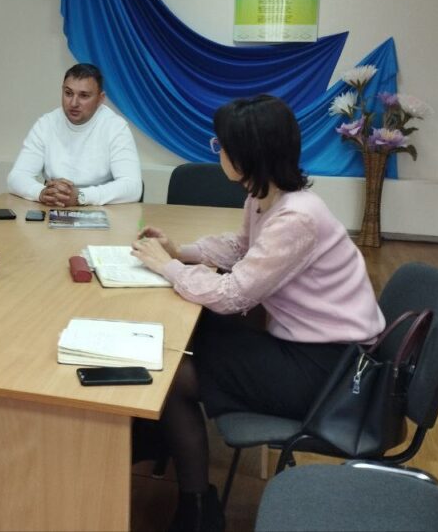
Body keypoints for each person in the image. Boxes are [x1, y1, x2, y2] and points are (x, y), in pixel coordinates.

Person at [131, 94, 385, 532]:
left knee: (173, 375)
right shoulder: (266, 197)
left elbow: (233, 294)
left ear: (247, 154)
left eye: (221, 145)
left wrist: (166, 267)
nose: (217, 151)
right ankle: (158, 437)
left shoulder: (297, 218)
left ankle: (198, 509)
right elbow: (242, 248)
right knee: (185, 338)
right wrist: (180, 251)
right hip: (313, 348)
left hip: (330, 370)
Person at [6, 63, 142, 207]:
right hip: (54, 208)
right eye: (68, 93)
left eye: (84, 96)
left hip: (102, 210)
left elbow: (133, 187)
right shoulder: (46, 124)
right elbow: (16, 177)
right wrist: (42, 193)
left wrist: (81, 197)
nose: (73, 103)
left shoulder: (116, 127)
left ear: (100, 99)